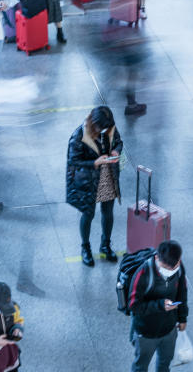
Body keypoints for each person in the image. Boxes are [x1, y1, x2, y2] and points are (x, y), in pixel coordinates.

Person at [66, 106, 123, 267]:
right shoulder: (79, 136)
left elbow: (119, 142)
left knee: (108, 212)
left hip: (107, 176)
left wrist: (116, 152)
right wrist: (94, 163)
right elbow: (73, 161)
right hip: (88, 180)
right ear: (93, 123)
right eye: (100, 128)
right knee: (88, 214)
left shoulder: (109, 128)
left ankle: (105, 244)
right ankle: (85, 247)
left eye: (106, 128)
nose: (103, 131)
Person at [129, 240, 189, 372]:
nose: (171, 271)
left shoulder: (178, 267)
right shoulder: (143, 273)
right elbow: (134, 305)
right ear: (157, 258)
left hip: (169, 330)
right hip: (146, 334)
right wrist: (160, 305)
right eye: (167, 268)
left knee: (165, 363)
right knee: (141, 366)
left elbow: (182, 293)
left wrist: (183, 317)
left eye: (174, 267)